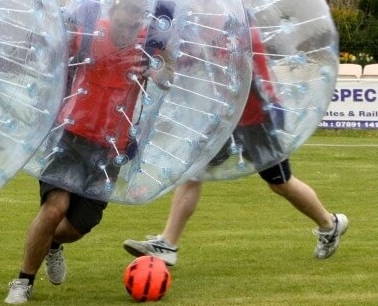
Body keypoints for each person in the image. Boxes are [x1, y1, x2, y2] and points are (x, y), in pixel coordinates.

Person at [123, 25, 348, 266]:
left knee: (280, 183)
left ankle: (329, 224)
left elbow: (248, 77)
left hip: (257, 119)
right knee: (193, 174)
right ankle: (167, 244)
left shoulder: (245, 34)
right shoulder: (208, 30)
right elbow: (192, 68)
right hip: (224, 118)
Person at [5, 0, 173, 305]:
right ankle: (23, 281)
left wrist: (157, 69)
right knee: (54, 208)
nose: (131, 23)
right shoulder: (89, 33)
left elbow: (168, 77)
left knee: (75, 228)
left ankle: (53, 244)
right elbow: (51, 57)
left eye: (138, 16)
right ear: (112, 11)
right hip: (72, 135)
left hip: (111, 148)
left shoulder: (149, 45)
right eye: (125, 15)